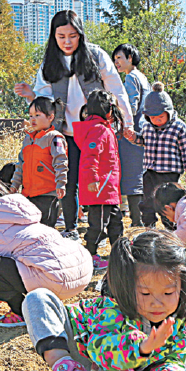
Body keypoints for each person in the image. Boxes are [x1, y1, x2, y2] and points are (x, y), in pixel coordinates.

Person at [18, 231, 186, 371]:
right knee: (37, 298)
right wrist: (141, 347)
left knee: (138, 367)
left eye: (168, 293)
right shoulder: (113, 309)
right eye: (145, 293)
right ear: (126, 285)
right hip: (78, 345)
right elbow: (100, 347)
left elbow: (177, 356)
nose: (156, 303)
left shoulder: (179, 325)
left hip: (117, 362)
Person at [14, 10, 132, 241]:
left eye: (73, 35)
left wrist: (127, 123)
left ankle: (111, 232)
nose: (67, 41)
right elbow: (44, 98)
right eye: (61, 36)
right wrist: (31, 96)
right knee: (67, 181)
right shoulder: (49, 62)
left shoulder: (96, 56)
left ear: (81, 35)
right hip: (64, 132)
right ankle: (71, 228)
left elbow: (116, 89)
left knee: (102, 179)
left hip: (95, 132)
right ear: (53, 36)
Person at [0, 179, 92, 326]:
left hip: (55, 282)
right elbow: (11, 274)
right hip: (80, 275)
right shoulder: (23, 218)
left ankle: (21, 312)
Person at [124, 82, 186, 228]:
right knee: (147, 201)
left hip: (169, 174)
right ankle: (149, 226)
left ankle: (171, 228)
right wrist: (133, 137)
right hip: (150, 172)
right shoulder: (147, 126)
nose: (156, 121)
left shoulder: (179, 127)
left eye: (160, 117)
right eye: (152, 117)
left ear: (169, 112)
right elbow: (143, 141)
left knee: (168, 203)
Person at [75, 90, 124, 271]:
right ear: (108, 110)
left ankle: (119, 254)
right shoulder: (98, 130)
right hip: (100, 188)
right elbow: (90, 156)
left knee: (116, 222)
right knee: (98, 225)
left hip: (108, 188)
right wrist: (93, 178)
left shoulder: (103, 128)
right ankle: (90, 255)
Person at [10, 97, 68, 228]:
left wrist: (61, 183)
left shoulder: (54, 138)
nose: (33, 119)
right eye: (30, 116)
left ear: (50, 117)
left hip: (47, 194)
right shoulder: (28, 139)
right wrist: (15, 184)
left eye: (37, 115)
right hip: (29, 194)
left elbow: (61, 162)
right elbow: (20, 164)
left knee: (45, 228)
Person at [112, 43, 150, 226]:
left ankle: (136, 220)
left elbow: (130, 107)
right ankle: (139, 217)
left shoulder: (130, 79)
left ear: (130, 58)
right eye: (115, 59)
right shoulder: (142, 77)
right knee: (138, 175)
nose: (116, 62)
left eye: (119, 58)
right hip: (143, 131)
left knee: (131, 176)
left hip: (131, 132)